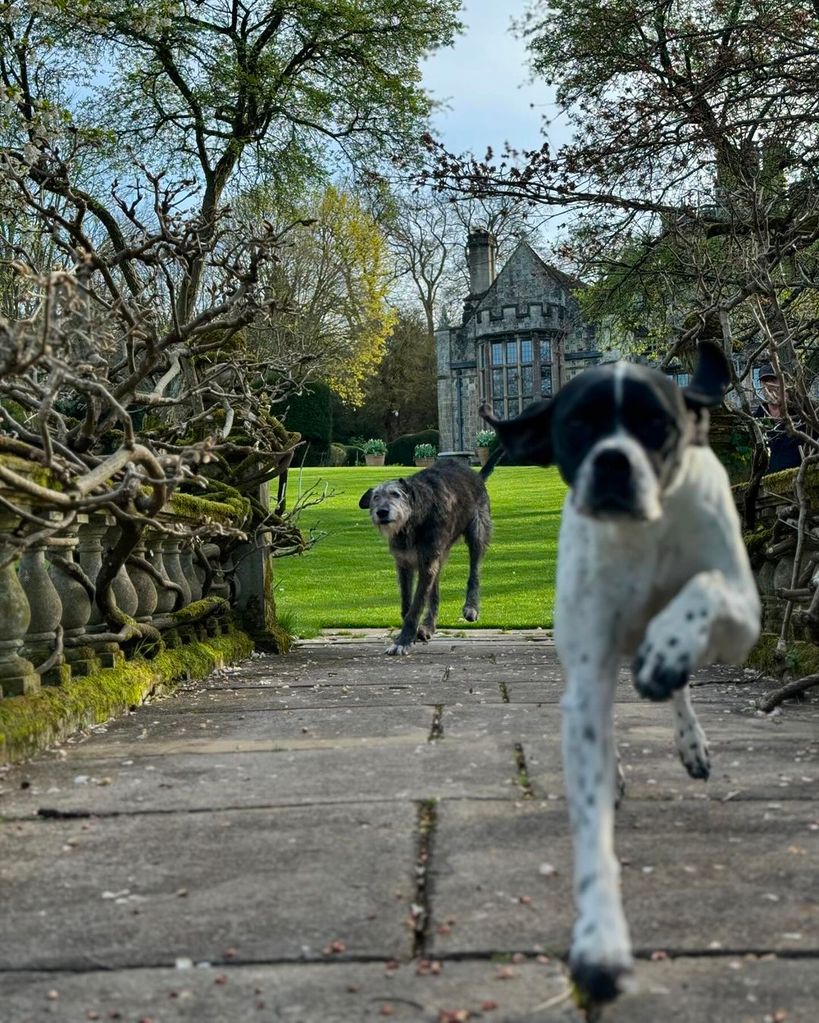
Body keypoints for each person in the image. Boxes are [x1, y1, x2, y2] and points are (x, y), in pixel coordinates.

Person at [754, 363, 804, 473]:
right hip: (772, 479)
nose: (769, 385)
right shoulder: (759, 414)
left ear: (785, 382)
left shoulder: (801, 408)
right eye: (765, 381)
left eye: (773, 379)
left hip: (803, 474)